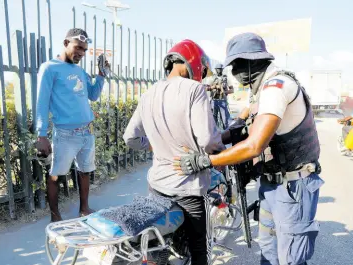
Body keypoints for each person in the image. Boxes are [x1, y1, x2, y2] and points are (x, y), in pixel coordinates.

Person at [173, 33, 324, 265]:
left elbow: (254, 146)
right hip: (273, 185)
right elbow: (243, 122)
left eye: (239, 65)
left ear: (254, 62)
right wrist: (211, 141)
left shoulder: (277, 87)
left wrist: (207, 161)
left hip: (293, 188)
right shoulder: (264, 89)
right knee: (269, 252)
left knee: (290, 259)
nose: (235, 72)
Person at [123, 39, 225, 265]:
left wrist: (154, 145)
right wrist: (220, 153)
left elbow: (129, 137)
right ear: (195, 63)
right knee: (199, 247)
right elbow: (208, 140)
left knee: (158, 244)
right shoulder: (195, 89)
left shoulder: (148, 93)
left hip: (157, 185)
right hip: (187, 187)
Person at [35, 28, 109, 222]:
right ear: (66, 43)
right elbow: (42, 102)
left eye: (84, 50)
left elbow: (92, 95)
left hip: (87, 132)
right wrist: (41, 135)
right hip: (65, 134)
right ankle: (55, 215)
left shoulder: (80, 71)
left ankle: (84, 209)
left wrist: (101, 75)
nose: (81, 53)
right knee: (55, 175)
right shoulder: (49, 68)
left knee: (85, 171)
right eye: (78, 48)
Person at [205, 63, 234, 130]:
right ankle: (214, 134)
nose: (219, 71)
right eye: (217, 69)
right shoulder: (212, 78)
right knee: (213, 120)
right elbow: (206, 88)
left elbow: (232, 90)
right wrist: (214, 87)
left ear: (222, 69)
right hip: (214, 101)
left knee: (225, 119)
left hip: (222, 101)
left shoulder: (226, 78)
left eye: (220, 69)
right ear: (215, 70)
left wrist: (225, 92)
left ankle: (226, 134)